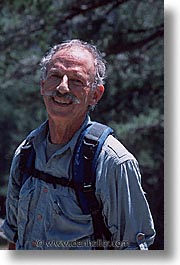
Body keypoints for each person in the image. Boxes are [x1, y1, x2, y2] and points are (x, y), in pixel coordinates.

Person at [0, 39, 155, 250]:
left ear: (95, 95)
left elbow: (133, 249)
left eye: (76, 80)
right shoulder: (27, 152)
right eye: (55, 76)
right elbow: (14, 237)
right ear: (42, 85)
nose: (62, 88)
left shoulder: (112, 162)